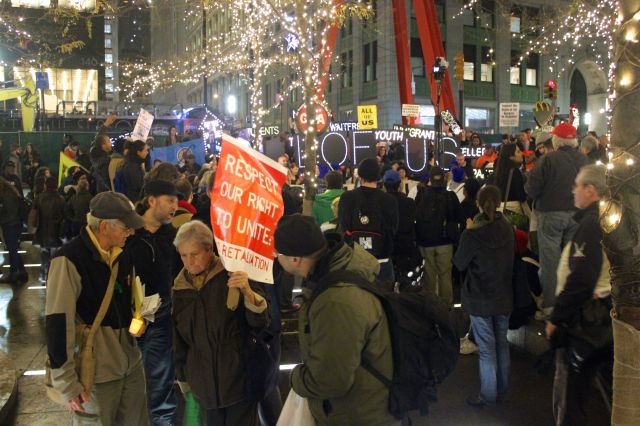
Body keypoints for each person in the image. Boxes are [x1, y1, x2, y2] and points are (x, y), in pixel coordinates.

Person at [273, 214, 398, 425]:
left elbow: (330, 380)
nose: (276, 258)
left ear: (295, 259)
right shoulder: (338, 269)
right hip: (365, 402)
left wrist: (296, 377)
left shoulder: (335, 301)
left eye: (278, 253)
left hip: (359, 414)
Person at [44, 191, 149, 425]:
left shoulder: (124, 254)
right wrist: (66, 384)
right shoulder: (69, 260)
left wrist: (139, 321)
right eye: (125, 227)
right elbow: (57, 323)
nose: (131, 232)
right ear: (104, 227)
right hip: (95, 376)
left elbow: (132, 301)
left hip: (131, 366)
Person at [172, 221, 269, 425]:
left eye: (194, 254)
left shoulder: (233, 275)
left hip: (238, 382)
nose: (189, 261)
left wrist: (248, 293)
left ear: (210, 250)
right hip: (202, 388)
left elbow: (259, 325)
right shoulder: (179, 289)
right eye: (183, 255)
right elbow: (179, 340)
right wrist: (183, 378)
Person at [545, 164, 612, 426]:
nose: (573, 191)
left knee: (571, 397)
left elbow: (582, 278)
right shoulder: (611, 218)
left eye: (577, 185)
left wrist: (557, 317)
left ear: (590, 190)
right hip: (603, 318)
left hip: (584, 322)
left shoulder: (592, 225)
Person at [124, 180, 180, 425]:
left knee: (160, 379)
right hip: (126, 318)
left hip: (160, 315)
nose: (175, 207)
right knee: (127, 380)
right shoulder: (128, 233)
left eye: (176, 201)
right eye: (169, 200)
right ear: (151, 201)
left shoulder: (174, 236)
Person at [453, 185, 515, 408]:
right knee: (502, 344)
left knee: (487, 348)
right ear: (498, 203)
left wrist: (466, 232)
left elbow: (460, 262)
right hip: (503, 295)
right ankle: (503, 391)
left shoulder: (472, 234)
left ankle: (488, 396)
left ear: (478, 204)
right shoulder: (507, 229)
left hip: (480, 297)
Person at [525, 122, 589, 318]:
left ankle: (551, 306)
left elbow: (531, 188)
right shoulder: (585, 161)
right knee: (571, 260)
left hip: (551, 215)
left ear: (556, 140)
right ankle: (569, 302)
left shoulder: (548, 160)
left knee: (550, 261)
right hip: (578, 215)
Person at [338, 158, 399, 283]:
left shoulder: (347, 197)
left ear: (360, 175)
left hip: (354, 257)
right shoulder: (389, 200)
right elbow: (393, 228)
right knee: (383, 298)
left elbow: (343, 225)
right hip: (381, 258)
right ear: (378, 177)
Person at [414, 167, 462, 305]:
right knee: (445, 275)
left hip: (425, 241)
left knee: (429, 276)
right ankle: (446, 309)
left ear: (430, 179)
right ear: (444, 179)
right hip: (445, 241)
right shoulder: (450, 196)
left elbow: (416, 215)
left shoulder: (421, 195)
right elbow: (458, 217)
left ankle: (430, 307)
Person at [34, 176, 65, 282]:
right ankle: (53, 278)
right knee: (55, 257)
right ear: (56, 186)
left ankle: (43, 275)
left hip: (42, 233)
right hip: (55, 234)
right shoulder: (60, 199)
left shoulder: (38, 198)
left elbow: (34, 214)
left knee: (44, 256)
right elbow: (64, 217)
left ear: (45, 185)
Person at [0, 177, 27, 283]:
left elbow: (8, 211)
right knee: (14, 248)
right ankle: (22, 272)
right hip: (16, 223)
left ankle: (14, 273)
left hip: (10, 224)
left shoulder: (5, 195)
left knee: (12, 249)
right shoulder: (11, 191)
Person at [494, 143, 529, 215]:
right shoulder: (515, 172)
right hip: (514, 211)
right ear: (511, 157)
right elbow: (521, 196)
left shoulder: (499, 172)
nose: (521, 153)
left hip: (500, 209)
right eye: (518, 152)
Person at [65, 173, 93, 238]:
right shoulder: (90, 198)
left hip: (75, 224)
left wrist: (72, 218)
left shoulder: (73, 197)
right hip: (86, 224)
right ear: (87, 187)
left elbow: (67, 210)